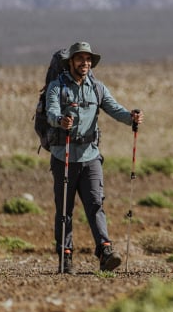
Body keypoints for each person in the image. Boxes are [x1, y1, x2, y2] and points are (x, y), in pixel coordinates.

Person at [46, 41, 144, 273]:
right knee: (64, 210)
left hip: (91, 156)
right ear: (70, 62)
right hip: (64, 157)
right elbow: (51, 111)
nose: (85, 63)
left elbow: (114, 109)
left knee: (96, 204)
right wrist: (60, 120)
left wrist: (131, 117)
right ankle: (65, 256)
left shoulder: (97, 88)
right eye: (80, 59)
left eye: (88, 59)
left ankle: (105, 250)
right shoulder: (56, 86)